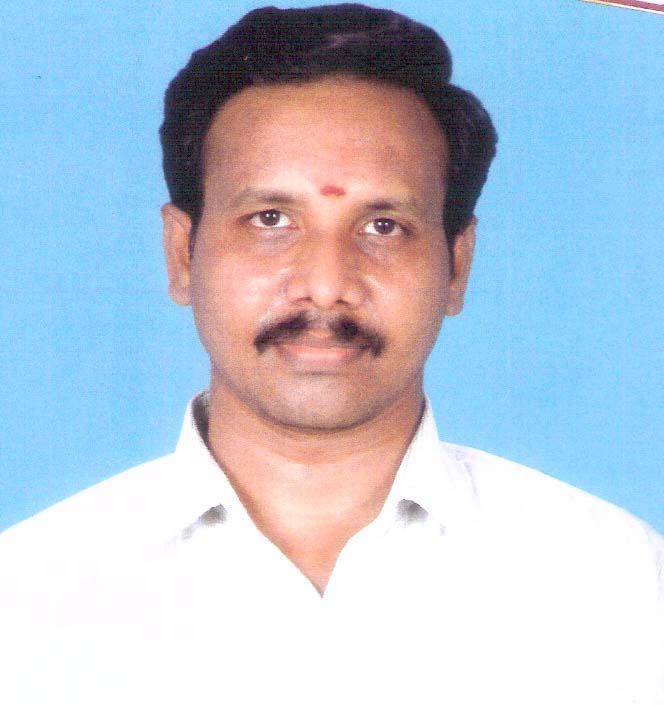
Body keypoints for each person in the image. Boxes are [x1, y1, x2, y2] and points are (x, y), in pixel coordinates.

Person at [1, 5, 662, 704]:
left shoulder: (619, 589)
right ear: (182, 255)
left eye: (384, 226)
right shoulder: (28, 603)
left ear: (457, 265)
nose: (325, 284)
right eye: (270, 220)